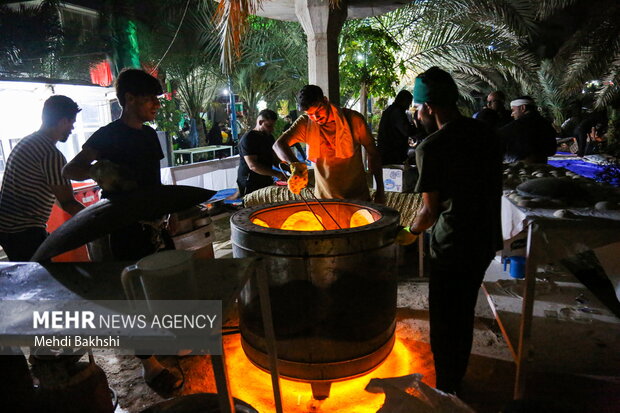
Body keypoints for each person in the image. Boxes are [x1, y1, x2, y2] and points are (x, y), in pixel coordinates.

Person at [62, 69, 181, 394]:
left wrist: (167, 211)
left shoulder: (148, 134)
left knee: (162, 285)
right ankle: (148, 365)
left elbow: (153, 181)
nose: (156, 105)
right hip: (125, 228)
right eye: (150, 99)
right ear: (129, 99)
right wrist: (101, 171)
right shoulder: (107, 135)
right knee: (134, 297)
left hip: (155, 222)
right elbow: (70, 169)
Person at [406, 67, 502, 394]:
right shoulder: (485, 132)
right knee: (463, 312)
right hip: (484, 239)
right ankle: (455, 378)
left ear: (430, 107)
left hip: (452, 245)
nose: (417, 116)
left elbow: (429, 212)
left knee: (445, 320)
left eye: (417, 109)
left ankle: (448, 387)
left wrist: (406, 233)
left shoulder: (431, 147)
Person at [0, 95, 84, 261]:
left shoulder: (27, 142)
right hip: (24, 231)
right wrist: (99, 221)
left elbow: (55, 197)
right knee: (40, 280)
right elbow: (68, 203)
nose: (72, 128)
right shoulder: (51, 154)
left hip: (7, 229)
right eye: (71, 123)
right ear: (62, 121)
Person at [273, 85, 385, 203]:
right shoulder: (306, 123)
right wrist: (295, 165)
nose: (316, 117)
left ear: (325, 100)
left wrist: (380, 191)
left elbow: (373, 154)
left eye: (318, 110)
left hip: (357, 199)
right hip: (324, 201)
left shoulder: (354, 120)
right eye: (310, 114)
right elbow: (278, 145)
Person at [237, 109, 287, 196]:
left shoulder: (269, 137)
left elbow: (275, 160)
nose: (272, 129)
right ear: (260, 122)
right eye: (269, 126)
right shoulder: (248, 138)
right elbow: (253, 166)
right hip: (250, 182)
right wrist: (278, 174)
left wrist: (290, 168)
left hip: (265, 179)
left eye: (273, 126)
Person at [499, 96, 557, 163]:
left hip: (522, 168)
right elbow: (552, 150)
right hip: (542, 165)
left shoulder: (517, 126)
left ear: (523, 108)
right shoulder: (546, 123)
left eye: (513, 110)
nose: (512, 114)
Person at [377, 90, 417, 165]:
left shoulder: (390, 110)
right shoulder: (397, 112)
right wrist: (417, 127)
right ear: (404, 100)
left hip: (386, 153)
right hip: (392, 154)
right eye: (408, 102)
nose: (409, 106)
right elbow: (406, 131)